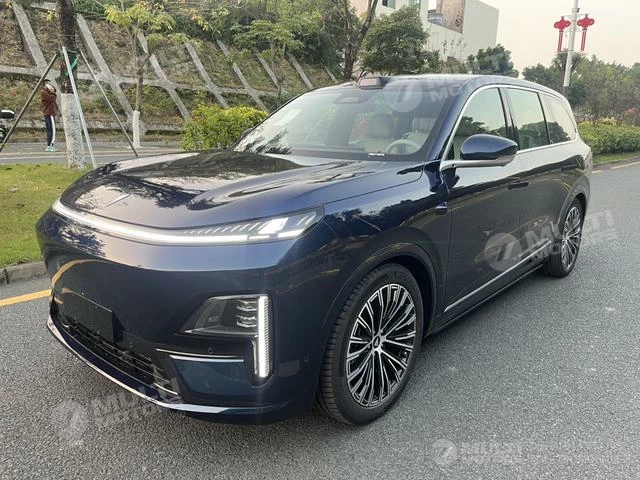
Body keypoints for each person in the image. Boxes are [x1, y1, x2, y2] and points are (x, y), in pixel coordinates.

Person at [41, 79, 58, 152]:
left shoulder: (48, 92)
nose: (50, 85)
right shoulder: (43, 92)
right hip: (49, 113)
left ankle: (49, 145)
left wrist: (52, 90)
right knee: (52, 130)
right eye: (47, 83)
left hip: (50, 113)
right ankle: (50, 145)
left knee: (50, 129)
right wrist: (53, 92)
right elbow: (52, 99)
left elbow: (54, 90)